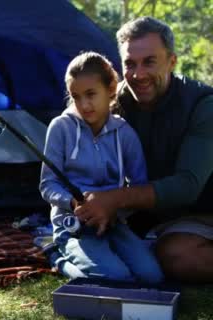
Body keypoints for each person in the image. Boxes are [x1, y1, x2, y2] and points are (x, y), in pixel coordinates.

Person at [74, 16, 213, 283]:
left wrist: (113, 199)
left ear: (172, 61)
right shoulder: (114, 102)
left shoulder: (203, 105)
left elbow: (188, 185)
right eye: (129, 64)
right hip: (154, 217)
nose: (138, 75)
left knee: (176, 257)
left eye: (149, 62)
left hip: (203, 210)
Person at [40, 51, 164, 284]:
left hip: (115, 224)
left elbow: (139, 188)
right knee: (116, 277)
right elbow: (48, 185)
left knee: (153, 276)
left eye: (91, 94)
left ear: (111, 90)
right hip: (73, 225)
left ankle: (104, 254)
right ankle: (56, 253)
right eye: (76, 97)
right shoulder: (60, 128)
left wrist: (112, 212)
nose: (84, 105)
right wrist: (73, 203)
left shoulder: (125, 134)